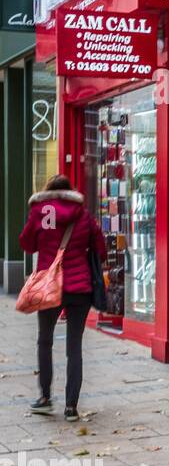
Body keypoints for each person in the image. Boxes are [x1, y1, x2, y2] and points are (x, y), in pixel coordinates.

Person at [19, 175, 108, 422]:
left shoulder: (39, 211)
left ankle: (45, 399)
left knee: (45, 341)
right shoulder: (82, 213)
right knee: (74, 348)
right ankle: (71, 407)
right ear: (70, 191)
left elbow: (26, 243)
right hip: (79, 289)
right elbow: (100, 248)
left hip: (49, 287)